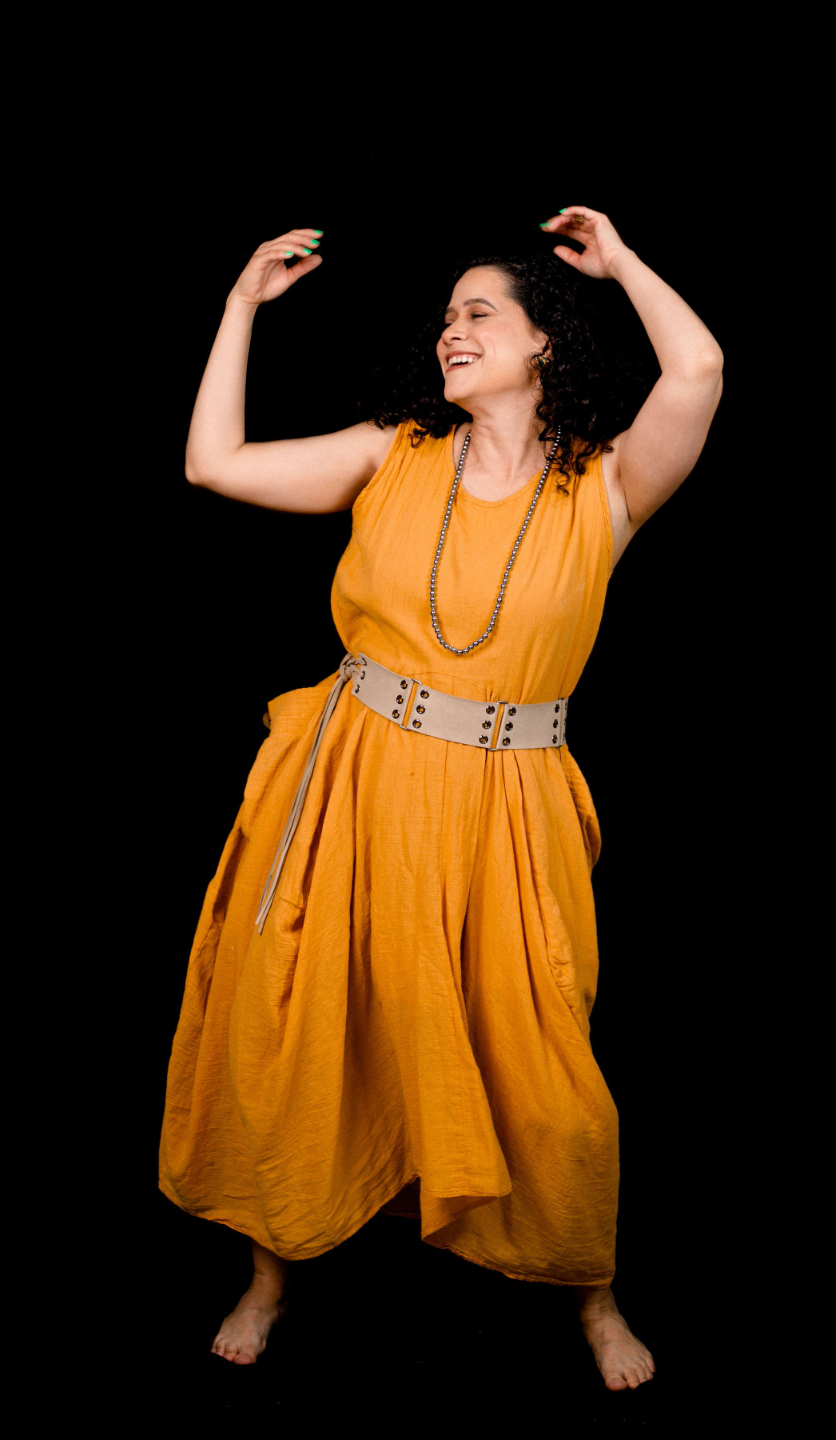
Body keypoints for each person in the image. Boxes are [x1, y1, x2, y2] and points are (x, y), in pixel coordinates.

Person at [158, 209, 724, 1391]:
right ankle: (268, 1276)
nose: (450, 333)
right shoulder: (392, 452)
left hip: (504, 813)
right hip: (350, 784)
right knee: (300, 1029)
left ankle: (589, 1293)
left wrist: (619, 261)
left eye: (479, 313)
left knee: (541, 1065)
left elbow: (698, 369)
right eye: (445, 317)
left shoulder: (607, 487)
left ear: (543, 341)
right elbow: (212, 463)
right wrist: (238, 307)